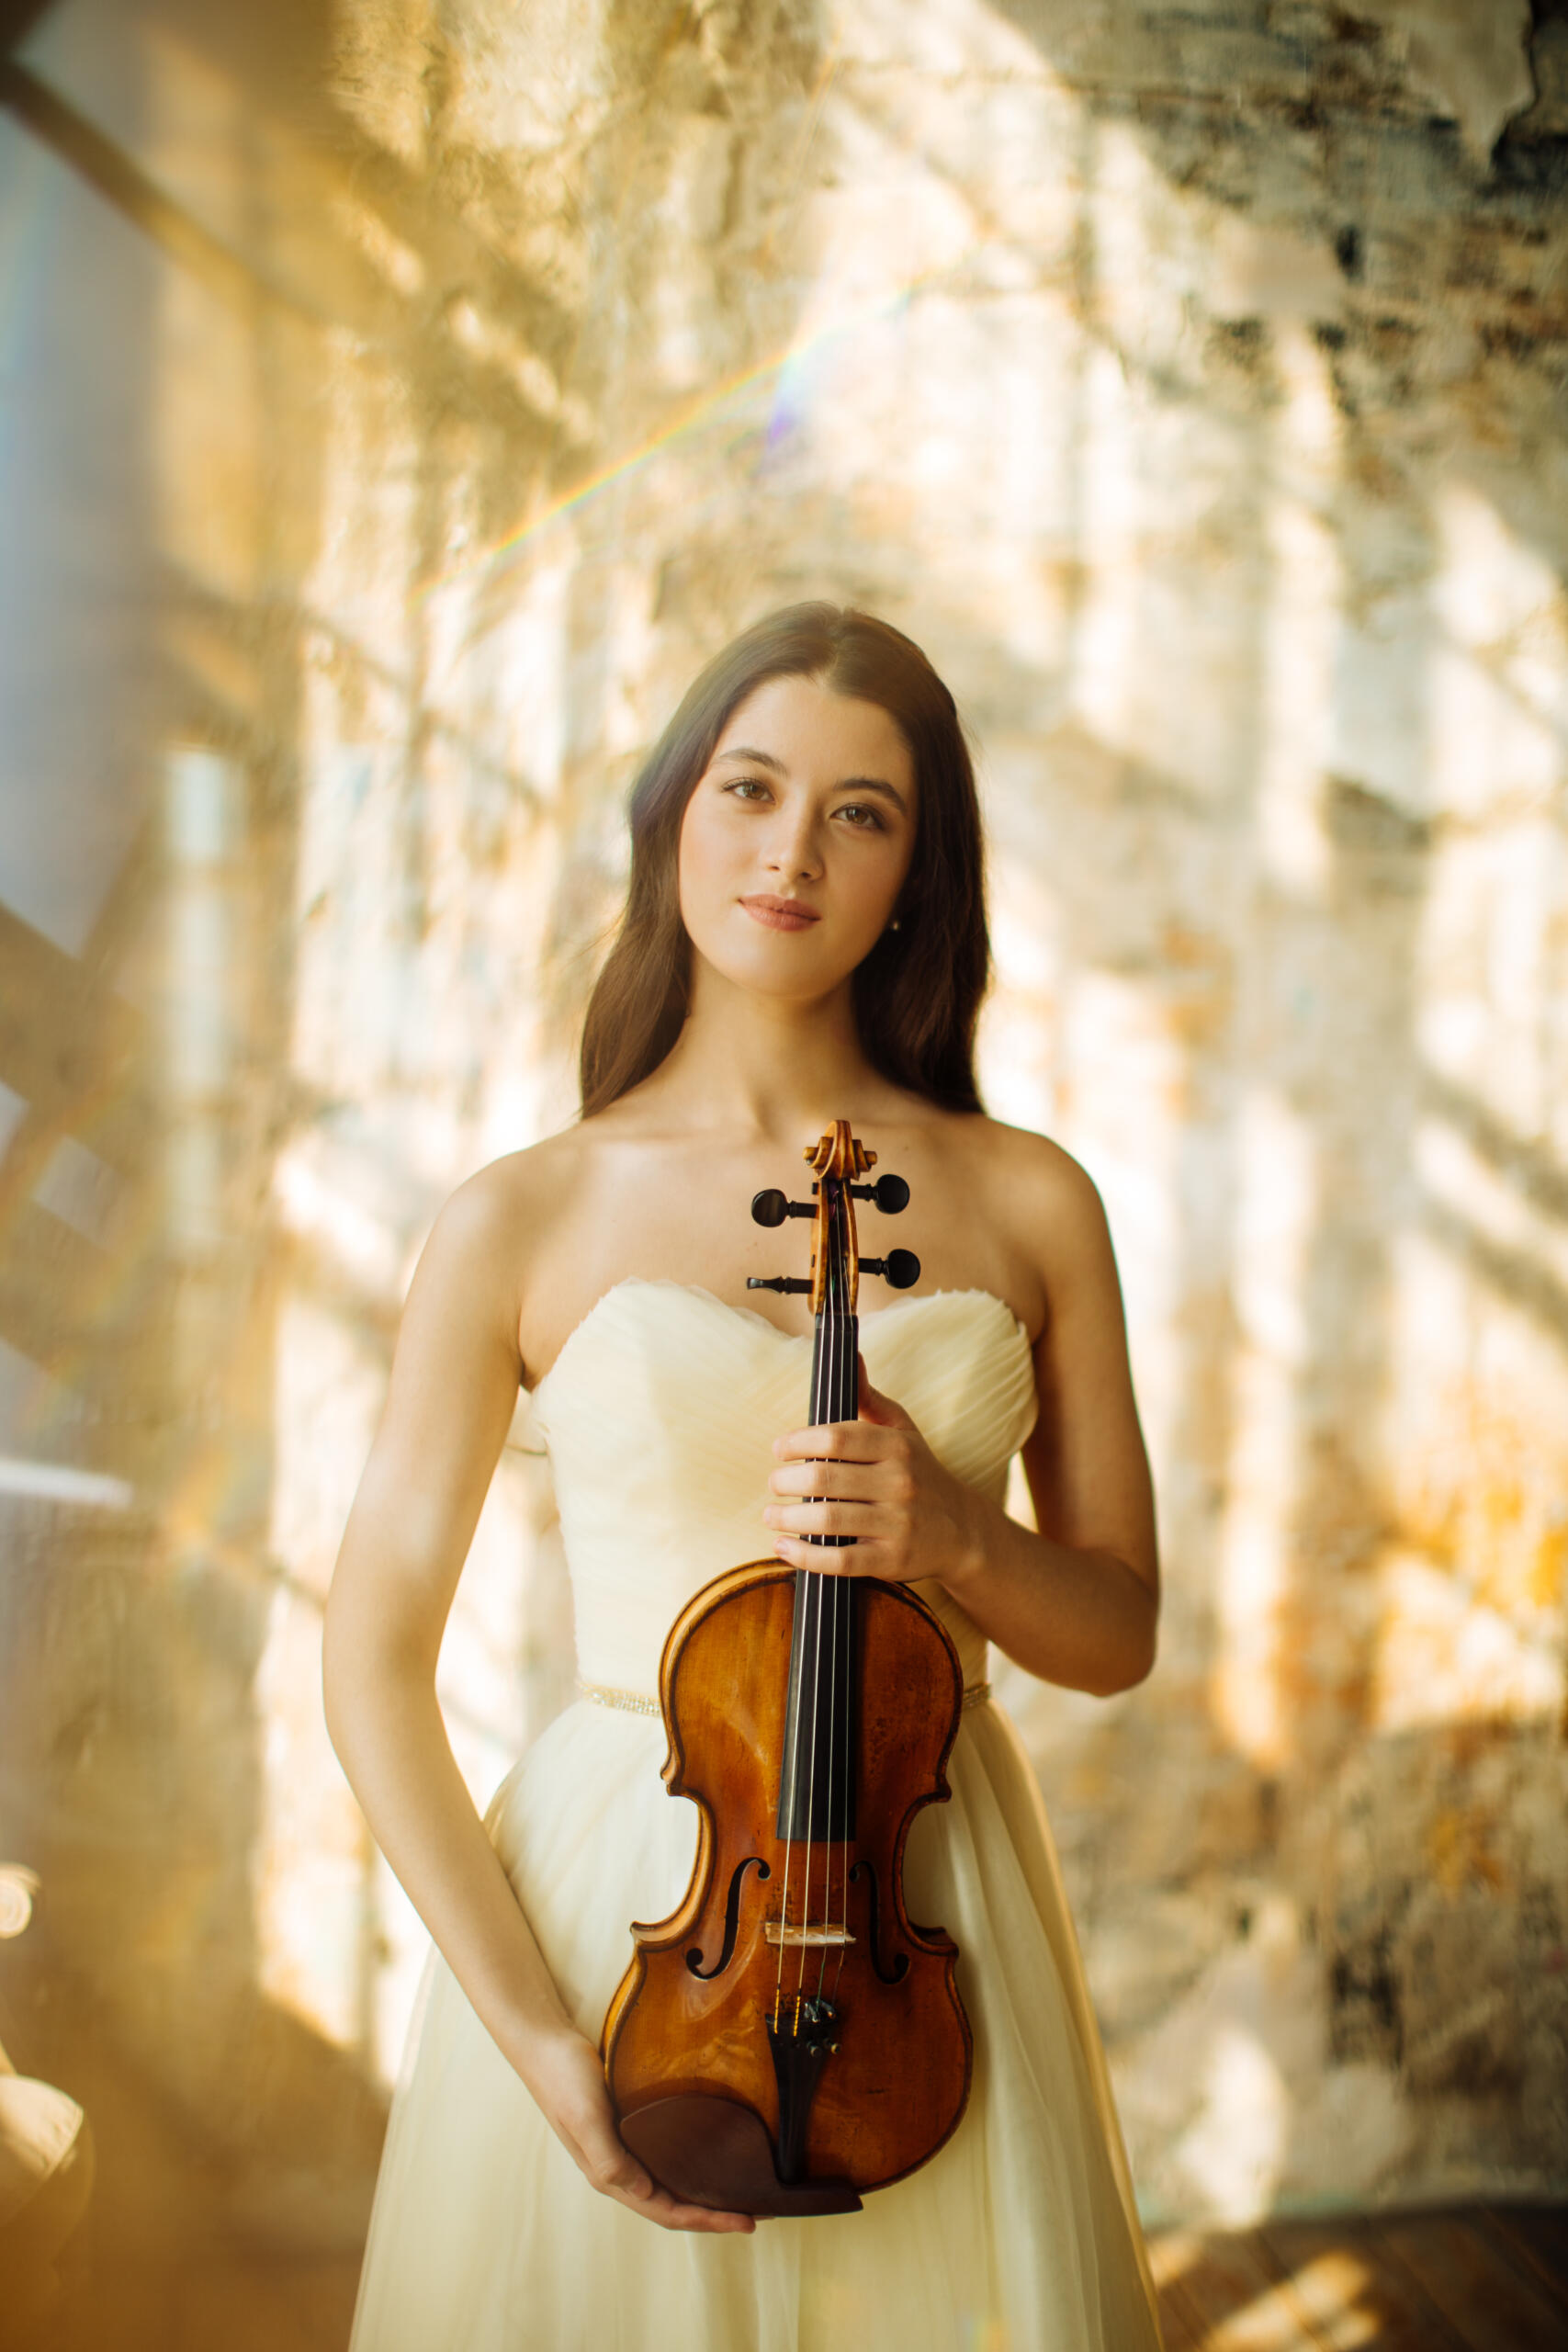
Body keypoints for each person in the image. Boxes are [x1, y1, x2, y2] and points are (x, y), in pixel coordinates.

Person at [325, 604, 1164, 2350]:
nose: (793, 851)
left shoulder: (1030, 1200)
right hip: (630, 1913)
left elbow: (1115, 1630)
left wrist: (954, 1537)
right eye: (752, 788)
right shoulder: (522, 1215)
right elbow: (369, 1662)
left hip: (918, 1909)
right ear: (673, 817)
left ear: (919, 874)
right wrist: (543, 2042)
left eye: (863, 812)